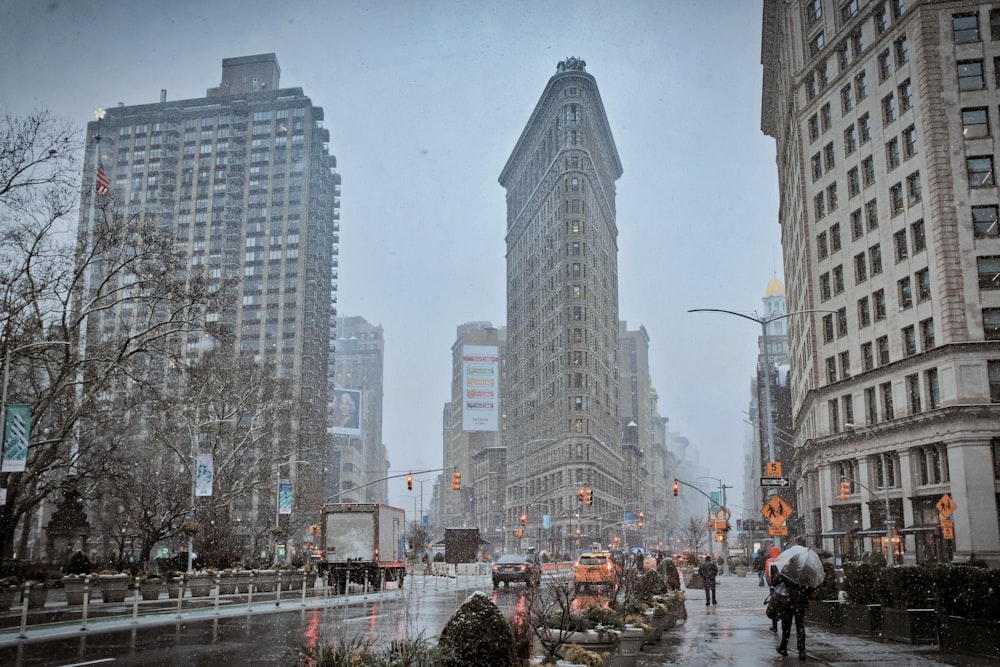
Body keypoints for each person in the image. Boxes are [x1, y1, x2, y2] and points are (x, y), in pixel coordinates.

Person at [772, 571, 814, 659]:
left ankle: (783, 647)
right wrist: (804, 594)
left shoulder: (789, 571)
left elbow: (774, 582)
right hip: (801, 602)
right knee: (800, 626)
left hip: (789, 601)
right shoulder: (806, 571)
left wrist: (782, 574)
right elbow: (811, 588)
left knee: (786, 625)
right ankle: (802, 650)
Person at [764, 545, 781, 631]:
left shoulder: (769, 561)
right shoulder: (783, 560)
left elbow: (767, 574)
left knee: (774, 604)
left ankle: (774, 625)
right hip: (783, 585)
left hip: (773, 585)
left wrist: (769, 583)